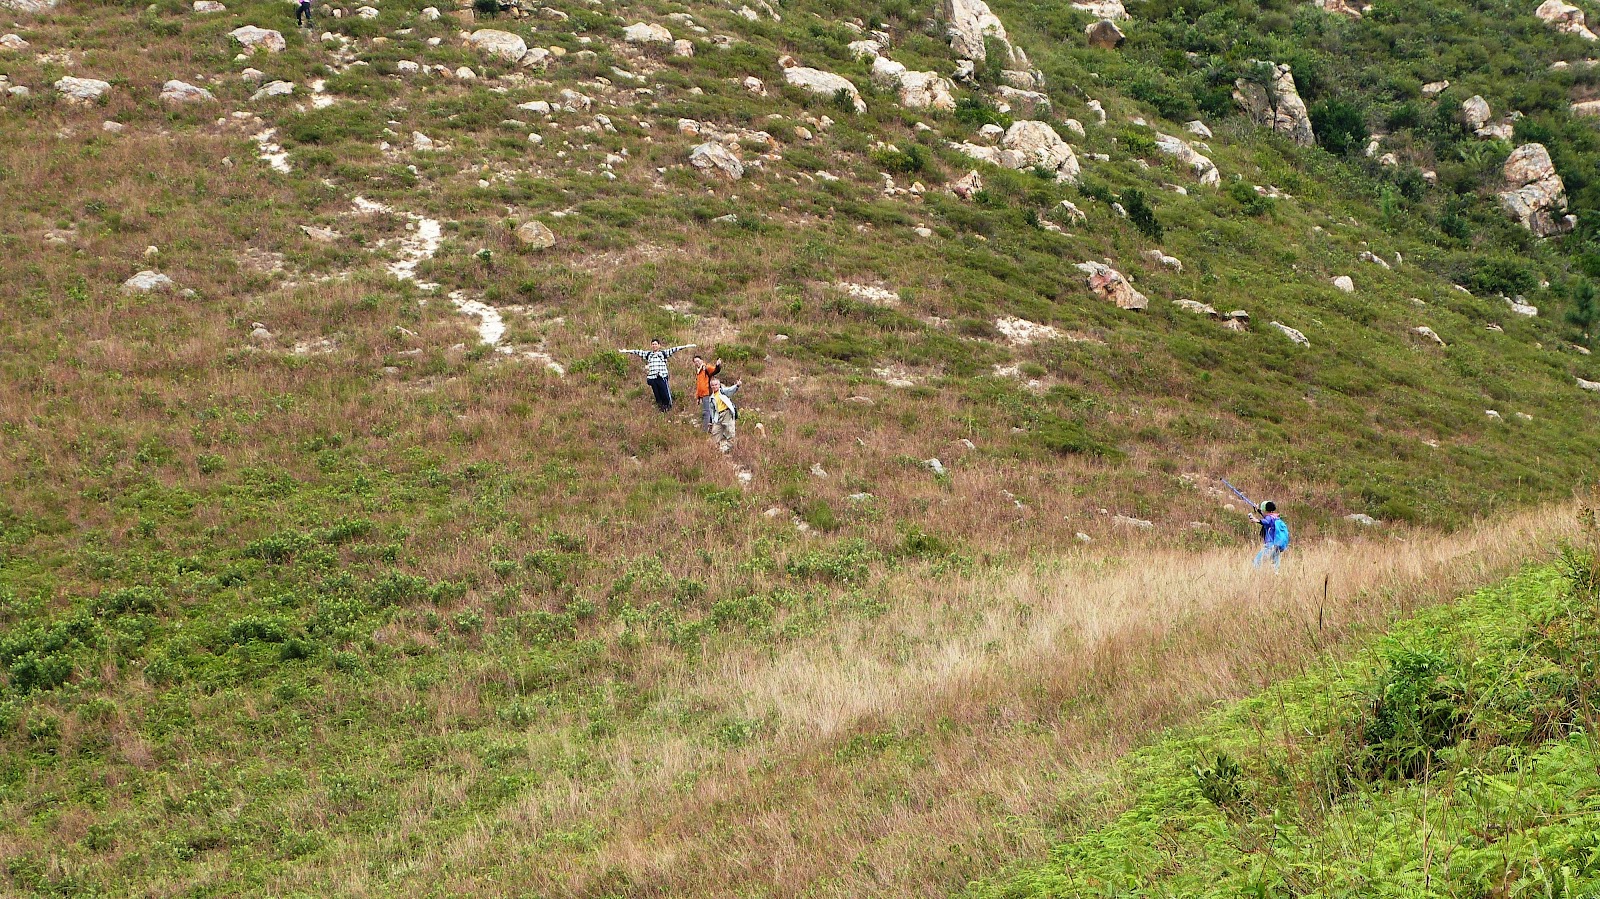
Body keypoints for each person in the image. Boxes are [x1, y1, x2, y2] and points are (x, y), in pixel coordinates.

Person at [619, 339, 693, 412]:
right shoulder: (648, 354)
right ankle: (661, 408)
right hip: (653, 378)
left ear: (659, 345)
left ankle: (668, 407)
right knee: (657, 394)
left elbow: (674, 349)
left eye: (655, 344)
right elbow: (637, 352)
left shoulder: (663, 354)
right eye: (653, 344)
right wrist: (626, 351)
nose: (654, 346)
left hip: (662, 377)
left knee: (665, 393)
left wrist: (686, 346)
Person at [1251, 501, 1290, 570]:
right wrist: (1258, 510)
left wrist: (1257, 521)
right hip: (1276, 546)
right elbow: (1266, 517)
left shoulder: (1268, 518)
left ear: (1265, 510)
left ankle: (1255, 575)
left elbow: (1267, 521)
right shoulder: (1275, 517)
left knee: (1256, 562)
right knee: (1275, 567)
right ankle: (1276, 575)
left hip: (1270, 546)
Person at [693, 355, 725, 432]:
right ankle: (712, 428)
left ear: (701, 360)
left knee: (706, 412)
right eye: (695, 362)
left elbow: (715, 370)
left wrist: (718, 365)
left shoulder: (706, 368)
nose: (697, 363)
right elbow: (699, 386)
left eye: (698, 361)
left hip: (707, 393)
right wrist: (698, 397)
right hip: (703, 395)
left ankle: (705, 430)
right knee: (710, 412)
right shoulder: (698, 371)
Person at [709, 377, 737, 451]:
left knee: (729, 431)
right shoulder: (711, 398)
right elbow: (712, 410)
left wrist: (737, 385)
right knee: (715, 431)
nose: (714, 386)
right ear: (711, 386)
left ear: (719, 385)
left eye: (716, 384)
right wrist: (713, 421)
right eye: (713, 385)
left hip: (727, 413)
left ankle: (729, 448)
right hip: (718, 416)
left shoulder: (723, 391)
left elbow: (730, 390)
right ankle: (717, 449)